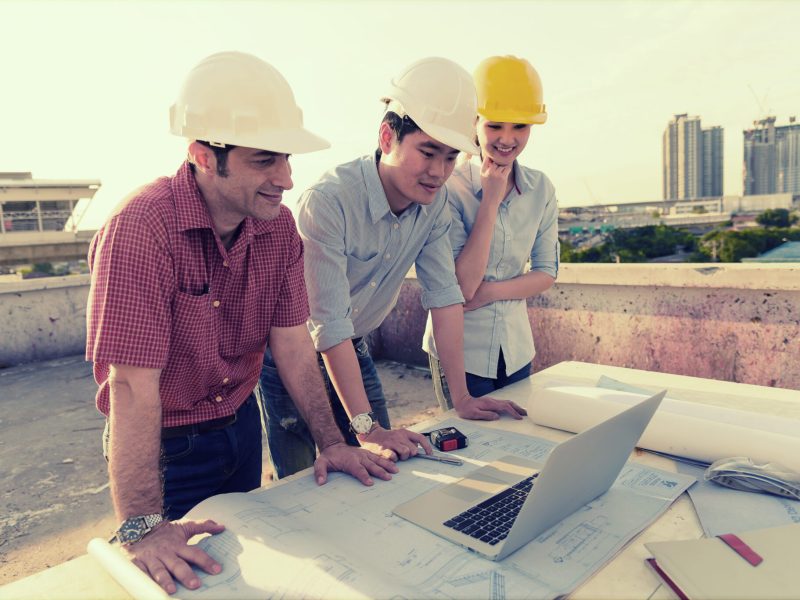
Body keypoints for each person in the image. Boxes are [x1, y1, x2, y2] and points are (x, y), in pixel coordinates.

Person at [85, 51, 397, 595]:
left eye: (286, 159)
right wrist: (140, 528)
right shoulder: (140, 229)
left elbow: (296, 348)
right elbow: (132, 386)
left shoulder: (277, 233)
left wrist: (334, 443)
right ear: (205, 156)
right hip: (166, 446)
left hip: (240, 429)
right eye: (263, 161)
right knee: (174, 581)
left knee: (234, 577)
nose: (286, 177)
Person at [260, 57, 527, 480]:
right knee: (301, 483)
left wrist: (462, 397)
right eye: (427, 152)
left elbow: (445, 296)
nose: (439, 172)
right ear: (388, 137)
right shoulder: (328, 202)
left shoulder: (434, 204)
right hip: (292, 357)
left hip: (356, 345)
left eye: (449, 156)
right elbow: (328, 325)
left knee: (388, 467)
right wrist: (365, 428)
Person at [423, 56, 560, 409]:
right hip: (462, 353)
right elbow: (461, 288)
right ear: (475, 122)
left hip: (516, 352)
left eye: (520, 127)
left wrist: (492, 292)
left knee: (517, 446)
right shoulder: (448, 189)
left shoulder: (541, 189)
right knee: (467, 450)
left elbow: (547, 272)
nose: (507, 139)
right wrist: (490, 202)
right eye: (495, 126)